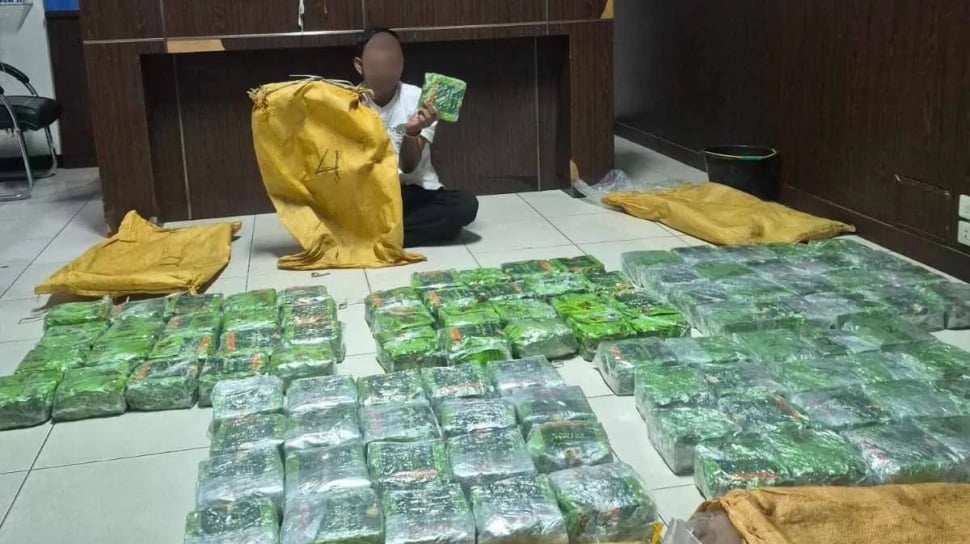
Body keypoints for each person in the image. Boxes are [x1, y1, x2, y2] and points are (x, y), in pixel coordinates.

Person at [354, 27, 479, 248]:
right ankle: (395, 234)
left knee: (464, 206)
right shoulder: (347, 103)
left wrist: (412, 131)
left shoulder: (421, 100)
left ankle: (377, 237)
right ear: (360, 65)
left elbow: (409, 166)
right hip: (372, 196)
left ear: (401, 63)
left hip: (414, 192)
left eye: (391, 59)